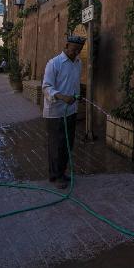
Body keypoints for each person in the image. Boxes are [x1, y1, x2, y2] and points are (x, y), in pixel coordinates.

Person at [42, 36, 85, 189]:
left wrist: (78, 94)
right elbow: (46, 87)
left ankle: (61, 171)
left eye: (79, 51)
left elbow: (74, 84)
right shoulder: (54, 63)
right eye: (74, 50)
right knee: (56, 145)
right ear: (66, 45)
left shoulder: (78, 63)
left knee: (67, 143)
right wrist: (62, 96)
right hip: (56, 112)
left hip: (71, 111)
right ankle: (55, 176)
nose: (76, 53)